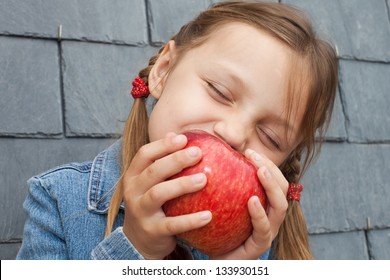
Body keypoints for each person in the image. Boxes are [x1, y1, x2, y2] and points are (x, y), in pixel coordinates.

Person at [17, 1, 338, 260]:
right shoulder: (57, 201)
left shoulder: (268, 244)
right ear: (164, 70)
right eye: (220, 91)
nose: (234, 133)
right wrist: (135, 251)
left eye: (270, 137)